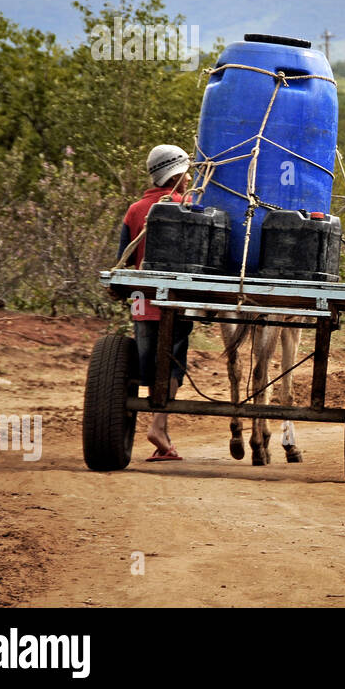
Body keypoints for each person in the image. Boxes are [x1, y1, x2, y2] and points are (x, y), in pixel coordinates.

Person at [118, 144, 194, 461]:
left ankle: (157, 428)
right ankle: (158, 426)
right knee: (171, 367)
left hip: (140, 303)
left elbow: (124, 255)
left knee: (148, 364)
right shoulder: (187, 207)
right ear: (176, 175)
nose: (189, 178)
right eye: (186, 172)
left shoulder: (135, 210)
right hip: (174, 303)